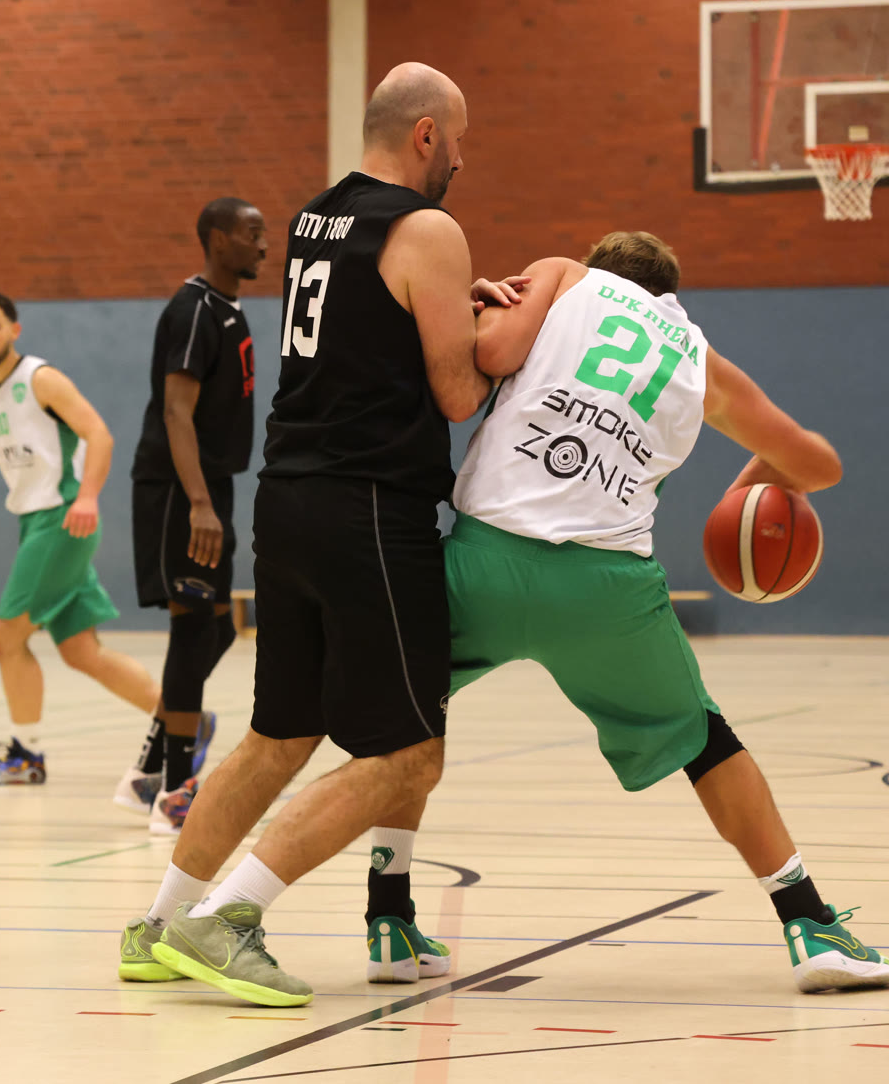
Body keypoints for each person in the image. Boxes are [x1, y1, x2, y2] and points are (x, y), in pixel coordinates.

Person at [365, 232, 888, 993]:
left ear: (596, 269)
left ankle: (387, 918)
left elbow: (488, 355)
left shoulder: (561, 278)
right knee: (707, 741)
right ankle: (810, 924)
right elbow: (819, 464)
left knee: (410, 718)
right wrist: (742, 493)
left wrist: (485, 303)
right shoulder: (698, 358)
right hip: (605, 586)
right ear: (669, 294)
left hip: (483, 561)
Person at [117, 63, 520, 1005]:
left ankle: (159, 924)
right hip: (370, 508)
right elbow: (457, 392)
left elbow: (373, 330)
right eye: (459, 139)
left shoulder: (314, 219)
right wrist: (516, 334)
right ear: (426, 134)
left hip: (288, 499)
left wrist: (453, 306)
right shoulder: (429, 228)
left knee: (279, 733)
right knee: (410, 752)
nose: (462, 159)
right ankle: (229, 917)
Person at [0, 291, 160, 786]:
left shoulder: (41, 379)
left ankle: (26, 756)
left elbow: (100, 434)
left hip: (62, 519)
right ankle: (181, 721)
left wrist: (88, 497)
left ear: (14, 330)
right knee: (81, 652)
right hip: (36, 522)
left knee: (5, 636)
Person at [119, 197, 267, 834]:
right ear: (217, 239)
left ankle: (150, 768)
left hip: (212, 486)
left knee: (218, 628)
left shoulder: (229, 308)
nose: (264, 244)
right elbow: (176, 411)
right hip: (181, 492)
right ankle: (175, 790)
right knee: (191, 626)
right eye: (252, 233)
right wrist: (200, 504)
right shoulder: (193, 309)